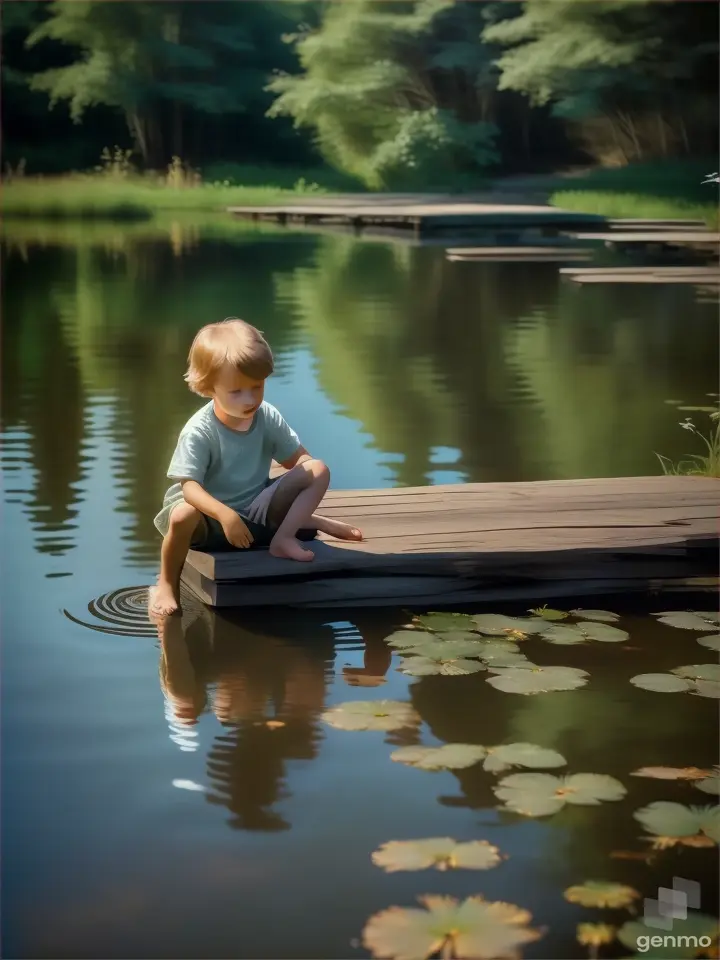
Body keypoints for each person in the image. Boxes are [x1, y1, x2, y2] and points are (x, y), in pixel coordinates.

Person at [150, 318, 362, 617]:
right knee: (183, 513)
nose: (250, 399)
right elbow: (189, 488)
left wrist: (274, 487)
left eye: (257, 386)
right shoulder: (200, 430)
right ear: (209, 387)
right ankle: (167, 584)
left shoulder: (267, 416)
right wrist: (225, 515)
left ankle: (284, 539)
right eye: (236, 391)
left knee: (318, 469)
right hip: (210, 521)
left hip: (256, 515)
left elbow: (302, 462)